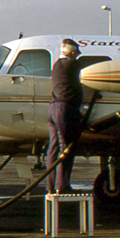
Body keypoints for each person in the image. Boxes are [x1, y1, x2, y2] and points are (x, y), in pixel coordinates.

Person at [45, 39, 83, 193]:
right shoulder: (71, 64)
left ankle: (51, 187)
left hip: (53, 109)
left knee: (53, 149)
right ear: (73, 52)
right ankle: (62, 186)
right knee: (65, 148)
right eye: (76, 53)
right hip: (65, 109)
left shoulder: (57, 65)